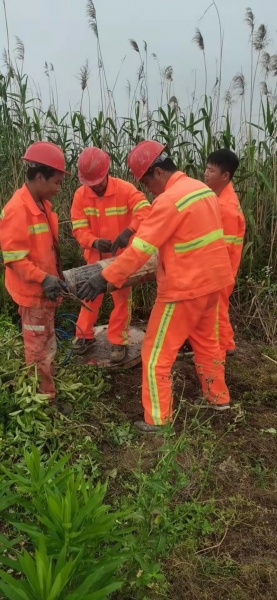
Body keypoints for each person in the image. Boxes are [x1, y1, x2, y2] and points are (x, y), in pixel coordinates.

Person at [77, 141, 235, 432]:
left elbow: (138, 251)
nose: (148, 188)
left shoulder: (169, 200)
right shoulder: (201, 189)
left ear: (158, 172)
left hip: (184, 289)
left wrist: (105, 278)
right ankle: (218, 398)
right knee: (208, 344)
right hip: (213, 284)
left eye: (146, 181)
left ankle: (158, 420)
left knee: (155, 355)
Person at [0, 141, 70, 413]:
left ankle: (44, 392)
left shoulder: (41, 204)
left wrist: (52, 278)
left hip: (44, 291)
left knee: (46, 344)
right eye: (56, 182)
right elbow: (15, 258)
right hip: (33, 294)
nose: (59, 188)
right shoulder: (18, 209)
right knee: (39, 350)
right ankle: (43, 403)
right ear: (39, 177)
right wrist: (44, 279)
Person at [71, 147, 151, 363]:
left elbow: (146, 210)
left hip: (121, 258)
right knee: (89, 296)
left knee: (122, 299)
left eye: (98, 181)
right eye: (90, 183)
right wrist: (94, 242)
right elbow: (78, 228)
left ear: (107, 172)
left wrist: (129, 231)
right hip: (95, 258)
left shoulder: (125, 189)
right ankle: (83, 336)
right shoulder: (80, 195)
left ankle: (118, 341)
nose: (95, 186)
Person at [205, 149, 245, 358]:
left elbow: (223, 248)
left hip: (222, 269)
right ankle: (227, 343)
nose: (205, 174)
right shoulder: (217, 196)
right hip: (220, 268)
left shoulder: (227, 208)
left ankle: (219, 350)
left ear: (225, 176)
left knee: (217, 308)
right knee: (220, 306)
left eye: (211, 171)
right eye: (206, 168)